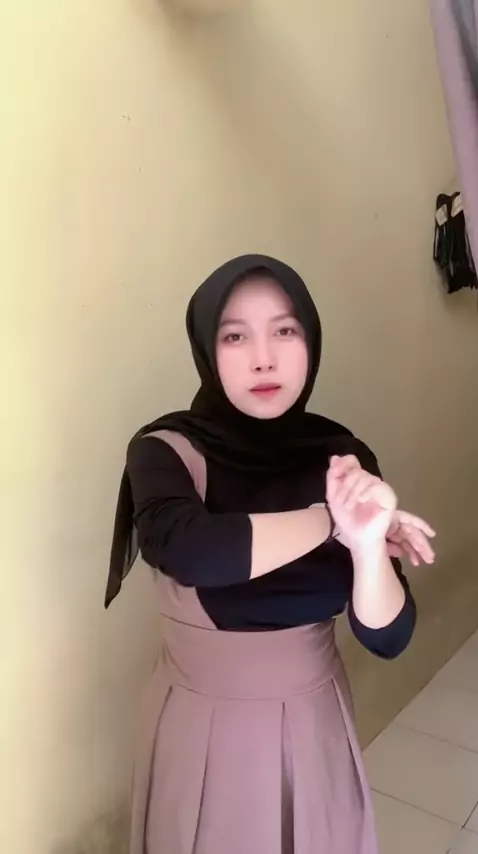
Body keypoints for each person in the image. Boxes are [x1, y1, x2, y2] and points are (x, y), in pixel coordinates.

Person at [106, 255, 435, 854]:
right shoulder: (166, 449)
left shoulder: (342, 457)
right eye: (235, 336)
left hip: (314, 725)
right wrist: (331, 520)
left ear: (311, 341)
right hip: (200, 728)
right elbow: (192, 550)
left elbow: (389, 638)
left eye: (285, 330)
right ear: (206, 348)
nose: (264, 358)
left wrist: (366, 546)